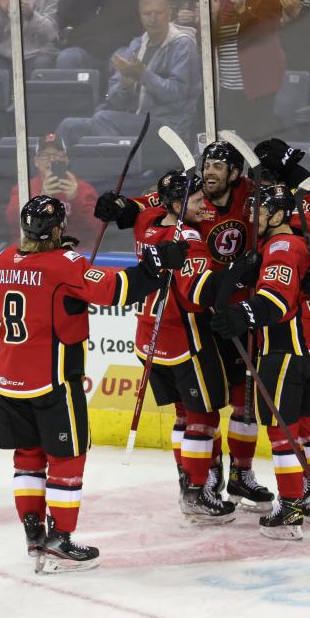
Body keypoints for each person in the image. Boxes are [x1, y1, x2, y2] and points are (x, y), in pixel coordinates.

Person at [0, 194, 188, 573]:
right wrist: (156, 264)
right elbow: (117, 291)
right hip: (53, 382)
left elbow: (28, 289)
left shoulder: (2, 260)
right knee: (67, 458)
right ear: (59, 227)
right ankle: (60, 539)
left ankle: (34, 534)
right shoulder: (66, 264)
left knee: (28, 458)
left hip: (8, 380)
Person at [93, 140, 275, 513]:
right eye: (205, 166)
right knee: (198, 412)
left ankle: (235, 475)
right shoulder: (185, 228)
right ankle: (198, 484)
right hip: (195, 322)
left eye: (218, 167)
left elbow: (149, 209)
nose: (208, 175)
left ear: (235, 174)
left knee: (239, 403)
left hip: (209, 320)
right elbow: (148, 206)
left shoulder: (247, 195)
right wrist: (123, 206)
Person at [210, 183, 310, 540]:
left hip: (286, 352)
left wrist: (241, 314)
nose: (254, 219)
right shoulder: (298, 242)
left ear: (280, 215)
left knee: (283, 433)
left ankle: (291, 506)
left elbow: (276, 303)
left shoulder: (282, 247)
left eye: (261, 213)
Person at [129, 170, 238, 523]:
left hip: (149, 339)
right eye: (194, 200)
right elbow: (197, 295)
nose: (202, 204)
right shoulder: (188, 240)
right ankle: (196, 491)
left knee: (181, 414)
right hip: (184, 339)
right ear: (176, 204)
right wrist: (238, 272)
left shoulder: (147, 226)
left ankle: (190, 484)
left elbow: (142, 207)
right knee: (202, 418)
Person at [55, 0, 199, 161]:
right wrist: (124, 87)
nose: (153, 19)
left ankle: (120, 176)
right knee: (70, 126)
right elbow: (115, 102)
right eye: (147, 14)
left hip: (168, 125)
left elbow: (178, 96)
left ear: (169, 14)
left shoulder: (183, 45)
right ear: (140, 16)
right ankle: (55, 179)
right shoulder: (137, 45)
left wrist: (143, 75)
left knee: (105, 119)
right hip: (134, 120)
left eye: (158, 13)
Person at [211, 0, 286, 144]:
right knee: (228, 144)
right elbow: (204, 42)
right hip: (224, 89)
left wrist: (242, 10)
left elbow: (264, 33)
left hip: (257, 89)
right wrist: (212, 18)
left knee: (258, 143)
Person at [4, 133, 99, 244]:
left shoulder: (83, 189)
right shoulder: (24, 188)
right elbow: (13, 221)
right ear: (36, 161)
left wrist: (75, 198)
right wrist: (41, 199)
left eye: (57, 155)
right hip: (35, 251)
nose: (51, 160)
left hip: (72, 252)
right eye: (44, 155)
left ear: (66, 160)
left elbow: (97, 228)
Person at [0, 0, 60, 72]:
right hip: (2, 56)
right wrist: (1, 13)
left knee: (42, 64)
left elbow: (52, 34)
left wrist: (31, 16)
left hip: (38, 54)